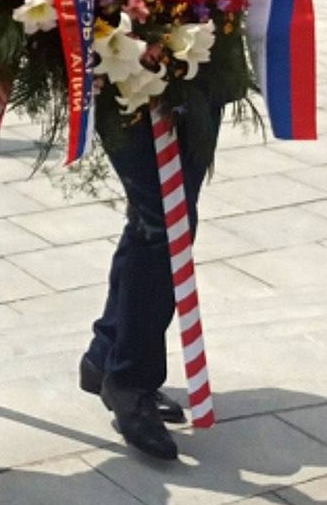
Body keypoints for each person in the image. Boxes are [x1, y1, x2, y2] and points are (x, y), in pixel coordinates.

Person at [80, 105, 223, 460]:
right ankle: (130, 378)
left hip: (203, 69)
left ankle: (107, 352)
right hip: (119, 70)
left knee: (161, 214)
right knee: (165, 220)